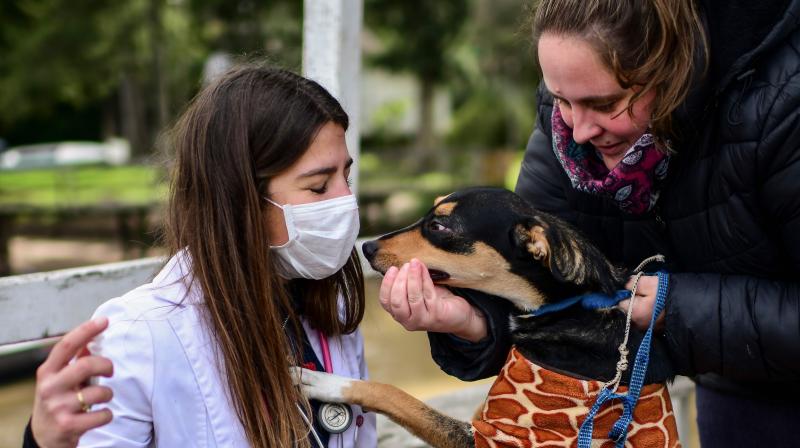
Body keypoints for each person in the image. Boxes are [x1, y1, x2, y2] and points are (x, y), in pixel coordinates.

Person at [379, 0, 800, 446]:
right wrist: (470, 321)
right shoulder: (568, 127)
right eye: (560, 99)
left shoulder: (782, 101)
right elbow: (542, 281)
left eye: (605, 103)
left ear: (671, 67)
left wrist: (676, 309)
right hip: (733, 382)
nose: (579, 130)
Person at [25, 64, 377, 447]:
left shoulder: (333, 307)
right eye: (319, 186)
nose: (347, 201)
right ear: (242, 199)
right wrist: (41, 442)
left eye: (348, 177)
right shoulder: (140, 336)